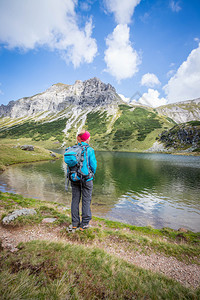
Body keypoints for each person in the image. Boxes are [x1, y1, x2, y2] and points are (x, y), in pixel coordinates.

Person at [68, 130, 97, 232]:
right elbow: (94, 166)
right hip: (86, 179)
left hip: (74, 178)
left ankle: (75, 223)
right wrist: (91, 174)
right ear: (87, 139)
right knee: (86, 200)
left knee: (75, 200)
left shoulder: (72, 149)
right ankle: (84, 224)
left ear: (78, 138)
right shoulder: (89, 150)